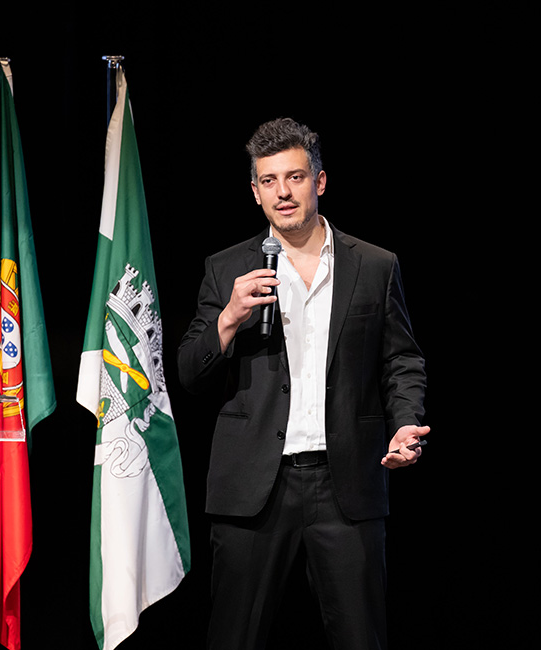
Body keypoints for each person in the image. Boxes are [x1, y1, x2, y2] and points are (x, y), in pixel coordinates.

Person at [178, 117, 428, 650]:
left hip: (347, 485)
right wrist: (228, 318)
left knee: (362, 638)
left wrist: (405, 423)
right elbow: (190, 373)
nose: (283, 192)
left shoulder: (375, 266)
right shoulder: (226, 269)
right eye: (269, 181)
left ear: (319, 181)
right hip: (253, 488)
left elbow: (401, 360)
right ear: (255, 192)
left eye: (294, 177)